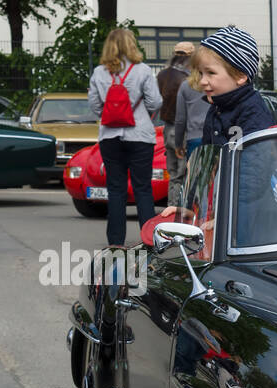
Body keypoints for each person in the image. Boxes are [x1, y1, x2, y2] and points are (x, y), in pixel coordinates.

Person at [88, 27, 162, 247]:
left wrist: (111, 115)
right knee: (142, 189)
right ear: (131, 44)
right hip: (139, 135)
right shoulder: (142, 70)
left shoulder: (99, 73)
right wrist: (140, 112)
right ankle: (149, 242)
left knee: (116, 189)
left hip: (110, 136)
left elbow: (94, 105)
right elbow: (156, 102)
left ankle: (116, 242)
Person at [198, 25, 276, 149]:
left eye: (211, 73)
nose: (202, 81)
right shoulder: (216, 108)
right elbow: (207, 151)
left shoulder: (253, 111)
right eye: (201, 73)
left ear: (240, 76)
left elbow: (256, 160)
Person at [156, 41, 194, 184]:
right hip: (184, 130)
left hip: (167, 128)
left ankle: (171, 205)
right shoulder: (189, 79)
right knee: (184, 175)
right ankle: (179, 205)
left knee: (173, 175)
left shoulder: (161, 75)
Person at [171, 62, 211, 198]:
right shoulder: (214, 84)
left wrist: (178, 144)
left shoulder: (185, 86)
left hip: (193, 137)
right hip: (213, 135)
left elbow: (180, 119)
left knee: (194, 179)